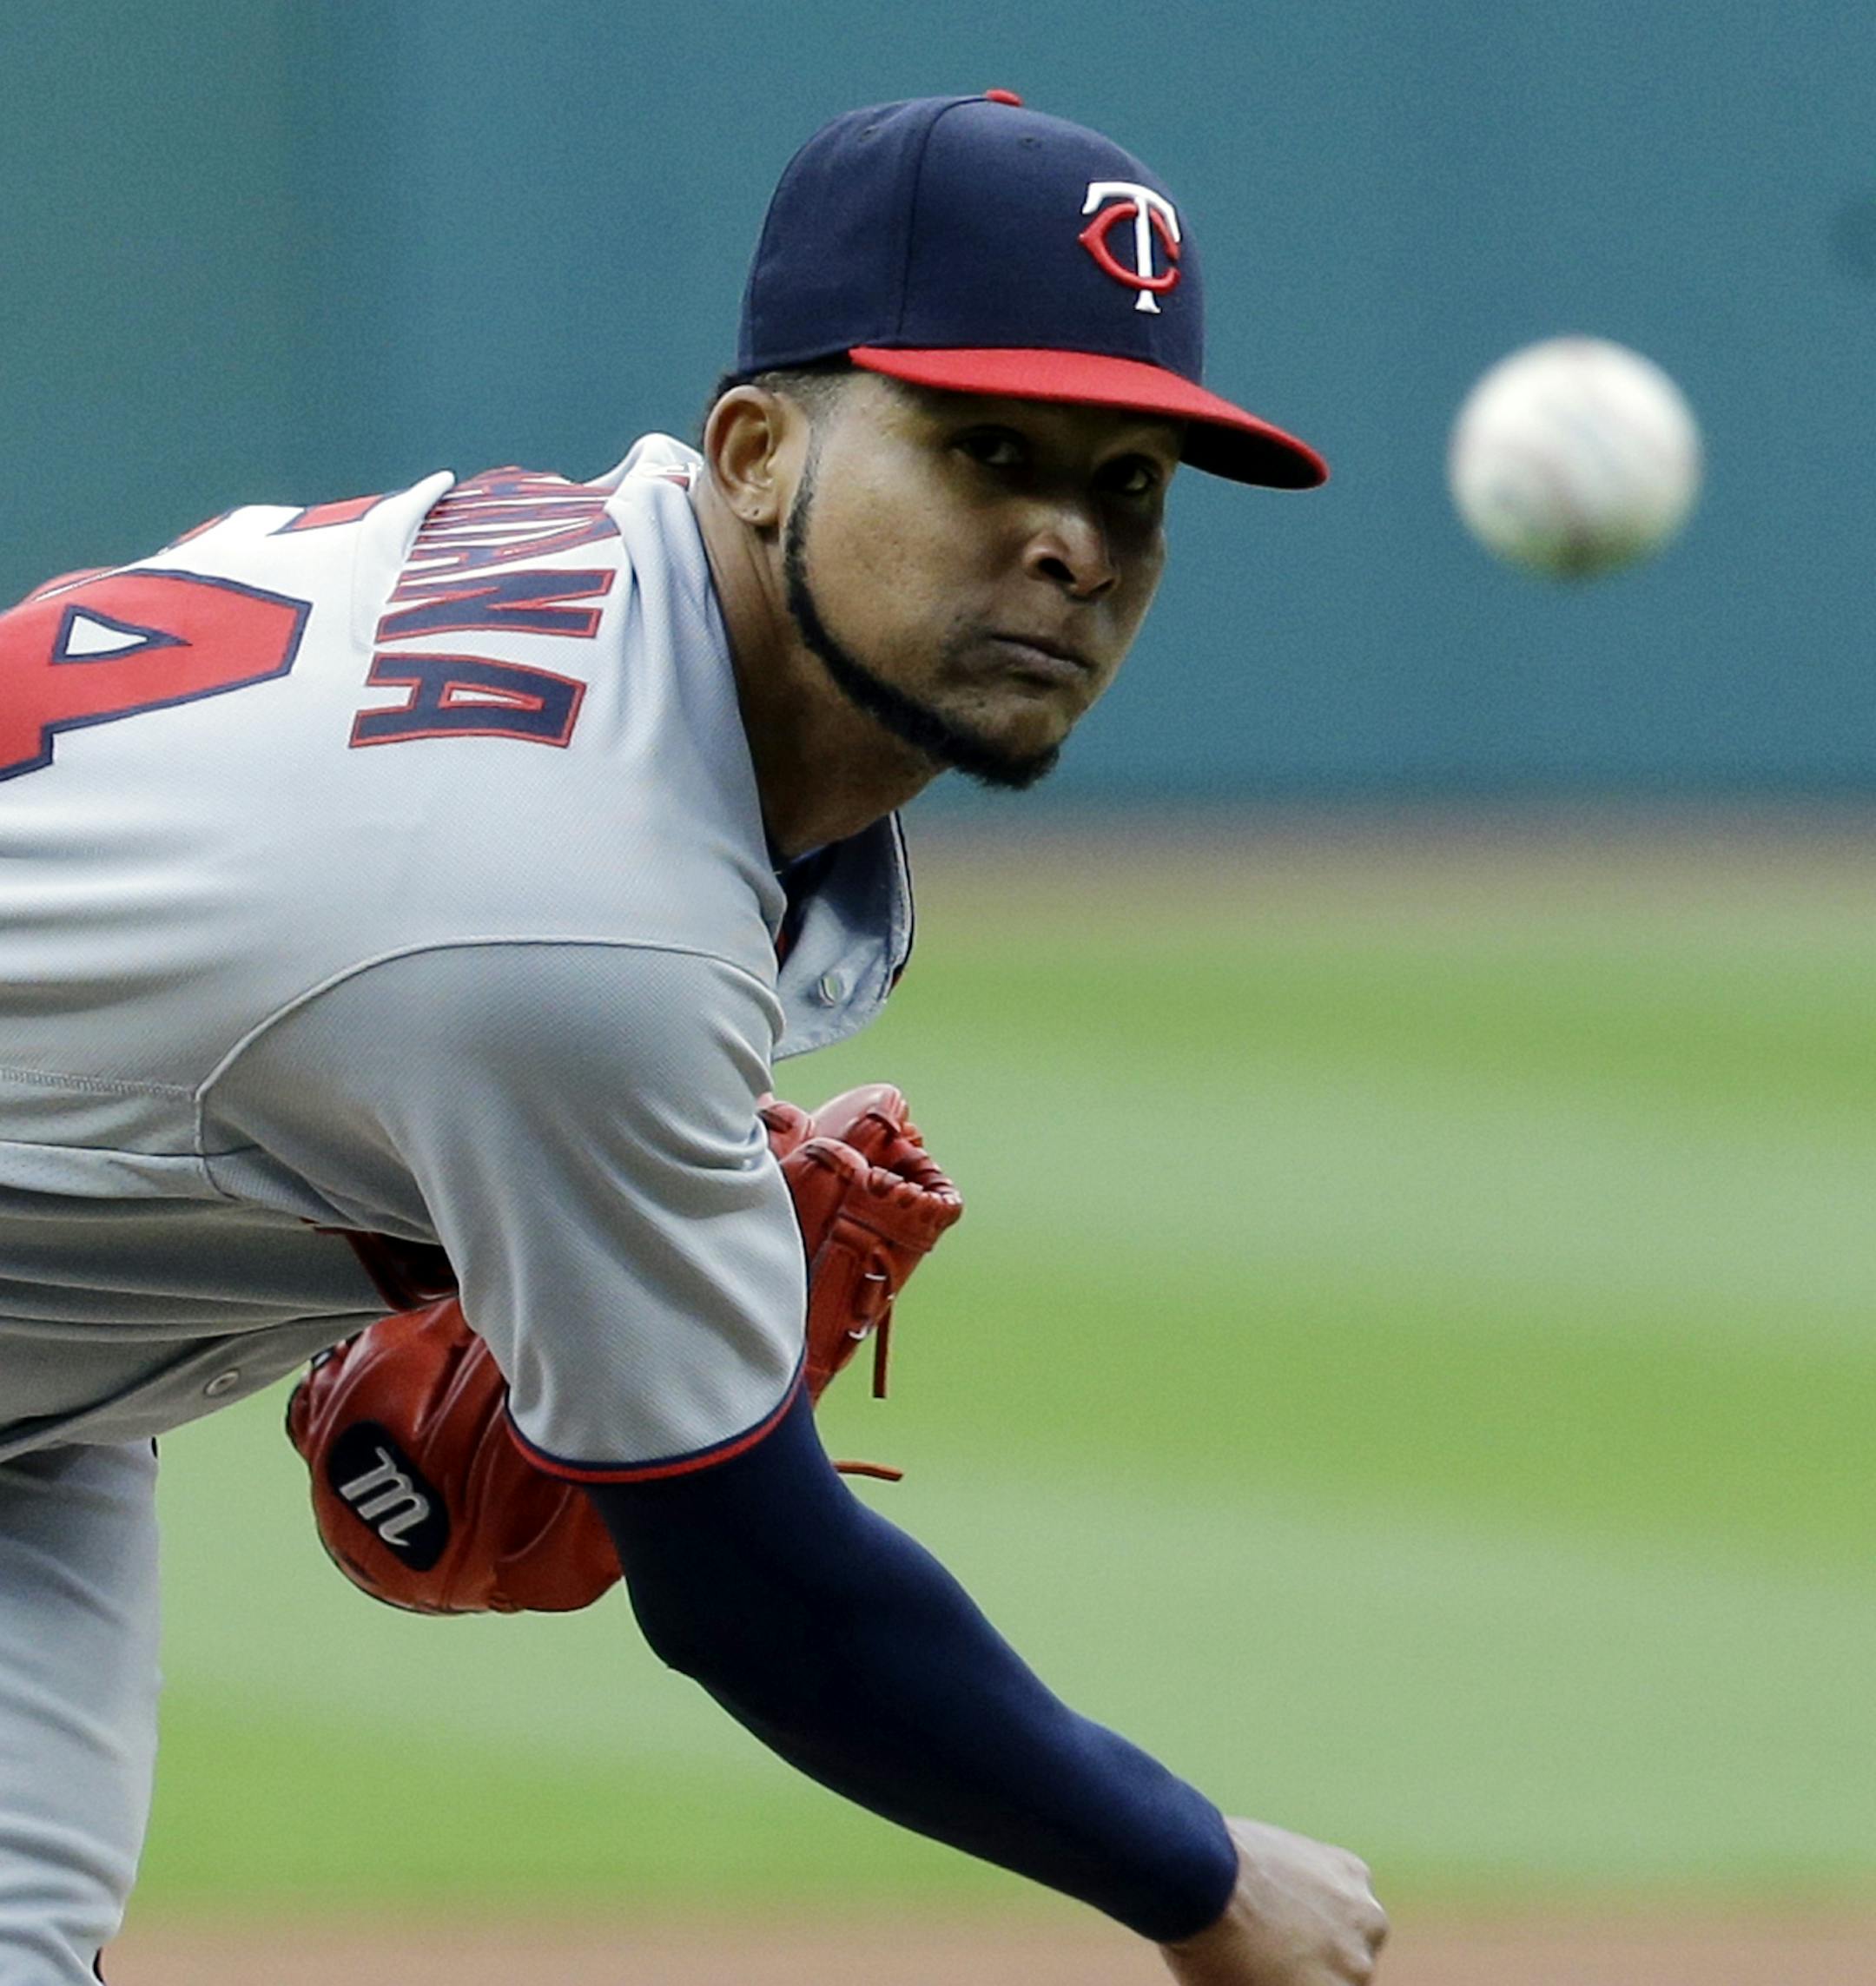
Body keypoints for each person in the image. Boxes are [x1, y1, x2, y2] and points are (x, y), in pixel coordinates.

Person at [0, 90, 1386, 1984]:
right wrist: (1198, 1873)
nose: (1070, 540)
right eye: (986, 449)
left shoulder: (596, 605)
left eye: (1129, 483)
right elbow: (759, 1596)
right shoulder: (571, 905)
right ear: (752, 448)